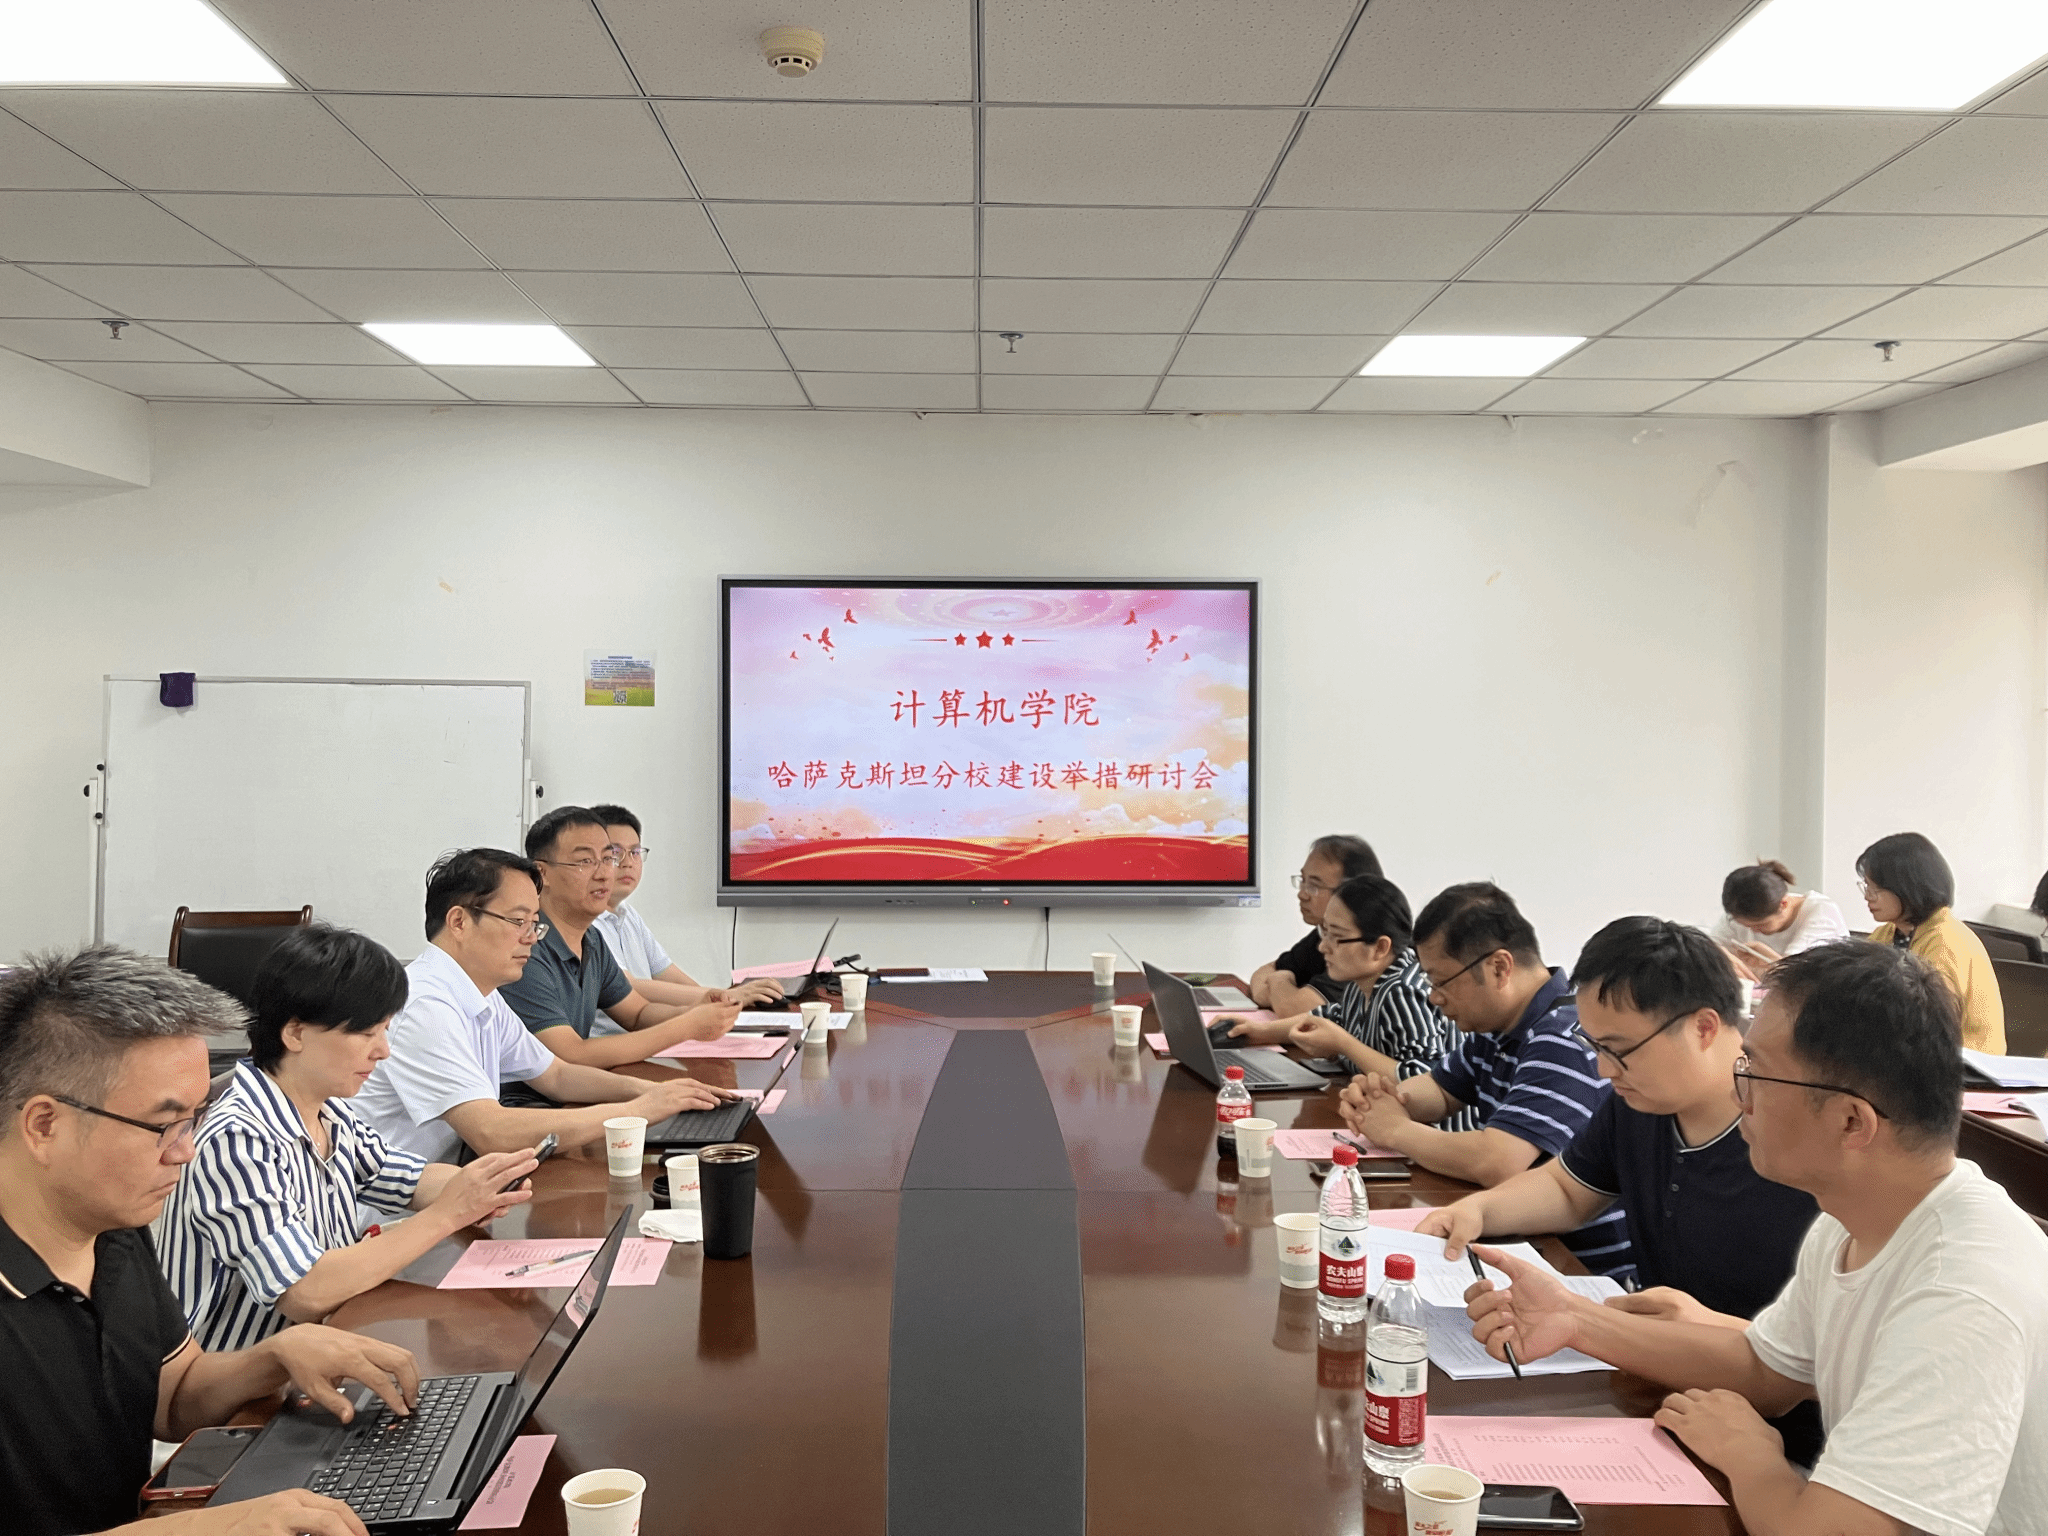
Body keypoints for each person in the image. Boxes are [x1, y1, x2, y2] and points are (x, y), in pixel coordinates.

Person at [1461, 941, 2046, 1536]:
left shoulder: (1959, 1288)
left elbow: (1826, 1533)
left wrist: (1752, 1456)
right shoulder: (1849, 1221)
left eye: (1755, 1073)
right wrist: (1575, 1320)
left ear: (1851, 1121)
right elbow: (1765, 1369)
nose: (1739, 1095)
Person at [0, 945, 425, 1536]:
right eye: (163, 1125)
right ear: (45, 1125)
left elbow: (171, 1396)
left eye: (195, 1118)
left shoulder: (113, 1232)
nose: (187, 1150)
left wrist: (274, 1356)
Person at [1419, 916, 1822, 1460]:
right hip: (1662, 1392)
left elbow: (1813, 1361)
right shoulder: (1639, 1105)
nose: (1605, 1071)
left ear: (1704, 1028)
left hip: (1783, 1439)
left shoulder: (1796, 1145)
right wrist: (1479, 1211)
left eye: (1619, 1049)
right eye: (1594, 1047)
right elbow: (1569, 1189)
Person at [158, 925, 540, 1352]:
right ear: (295, 1033)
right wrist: (449, 1213)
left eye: (385, 1030)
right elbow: (305, 1291)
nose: (383, 1051)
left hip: (321, 1345)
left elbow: (406, 1178)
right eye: (366, 1033)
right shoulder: (237, 1140)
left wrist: (482, 1185)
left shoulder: (327, 1110)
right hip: (237, 1377)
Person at [354, 848, 729, 1162]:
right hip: (398, 1211)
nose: (531, 938)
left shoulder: (482, 994)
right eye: (518, 921)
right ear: (459, 922)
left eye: (535, 924)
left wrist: (650, 1092)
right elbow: (491, 1131)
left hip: (459, 1182)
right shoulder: (425, 1006)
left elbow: (556, 1076)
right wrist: (635, 1112)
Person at [1337, 883, 1631, 1274]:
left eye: (1441, 982)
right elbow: (1440, 1091)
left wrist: (1394, 1130)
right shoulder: (1498, 1026)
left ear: (1498, 968)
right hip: (1522, 1237)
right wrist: (1378, 1099)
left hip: (1576, 1266)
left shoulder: (1562, 1037)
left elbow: (1499, 1160)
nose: (1433, 997)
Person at [499, 807, 746, 1067]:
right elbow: (571, 1054)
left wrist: (695, 1010)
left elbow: (638, 1013)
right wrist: (686, 1026)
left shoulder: (592, 940)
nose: (604, 874)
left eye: (608, 859)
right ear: (542, 873)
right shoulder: (525, 947)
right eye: (585, 862)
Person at [1220, 876, 1473, 1128]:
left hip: (1434, 1137)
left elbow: (1425, 1080)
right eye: (1325, 932)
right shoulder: (1361, 982)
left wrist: (1343, 1044)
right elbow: (1330, 1018)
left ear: (1380, 947)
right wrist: (1256, 1031)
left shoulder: (1402, 992)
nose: (1323, 947)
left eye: (1337, 937)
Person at [586, 804, 780, 1030]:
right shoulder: (588, 923)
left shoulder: (628, 915)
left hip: (647, 1036)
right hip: (615, 1044)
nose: (628, 862)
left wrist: (720, 1004)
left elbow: (665, 972)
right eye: (616, 853)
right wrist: (724, 997)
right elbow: (626, 987)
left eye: (635, 852)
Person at [1857, 831, 2005, 1053]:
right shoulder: (1887, 933)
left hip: (1961, 1061)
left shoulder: (1947, 940)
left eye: (1875, 889)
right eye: (1866, 887)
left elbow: (1928, 1022)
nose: (1867, 896)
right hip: (1913, 1052)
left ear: (1906, 887)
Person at [1248, 834, 1382, 1014]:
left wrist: (1279, 980)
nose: (1302, 894)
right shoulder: (1325, 933)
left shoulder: (1363, 945)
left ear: (1352, 893)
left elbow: (1294, 1010)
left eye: (1314, 886)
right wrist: (1281, 992)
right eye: (1302, 881)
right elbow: (1263, 974)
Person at [1714, 860, 1849, 981]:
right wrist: (1719, 955)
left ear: (1784, 903)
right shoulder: (1739, 911)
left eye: (1760, 925)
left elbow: (1793, 976)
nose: (1753, 931)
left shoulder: (1821, 912)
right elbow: (1709, 949)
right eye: (1745, 925)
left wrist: (1771, 962)